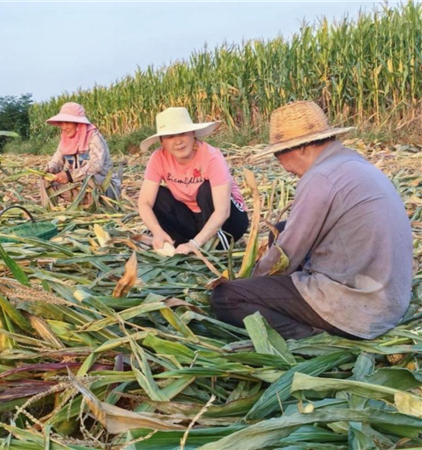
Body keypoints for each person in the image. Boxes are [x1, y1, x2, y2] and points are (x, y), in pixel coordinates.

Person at [210, 101, 413, 340]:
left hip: (358, 308)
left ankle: (312, 335)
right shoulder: (353, 163)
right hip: (391, 299)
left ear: (301, 148)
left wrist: (251, 280)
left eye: (278, 154)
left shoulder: (321, 178)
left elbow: (286, 255)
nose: (283, 167)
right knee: (280, 230)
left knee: (226, 297)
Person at [137, 107, 248, 255]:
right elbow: (144, 203)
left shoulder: (211, 157)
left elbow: (223, 211)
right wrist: (157, 231)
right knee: (158, 196)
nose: (178, 142)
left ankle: (212, 245)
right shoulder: (158, 158)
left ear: (193, 134)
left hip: (228, 221)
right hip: (193, 219)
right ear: (162, 141)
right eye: (170, 137)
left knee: (205, 190)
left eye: (182, 133)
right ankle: (181, 244)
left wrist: (195, 243)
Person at [43, 102, 121, 204]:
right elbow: (57, 160)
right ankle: (49, 211)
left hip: (102, 189)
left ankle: (95, 208)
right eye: (61, 123)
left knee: (90, 178)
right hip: (79, 188)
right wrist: (50, 169)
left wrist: (69, 175)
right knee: (45, 180)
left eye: (67, 122)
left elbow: (96, 166)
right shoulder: (65, 140)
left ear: (78, 123)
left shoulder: (94, 138)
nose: (64, 127)